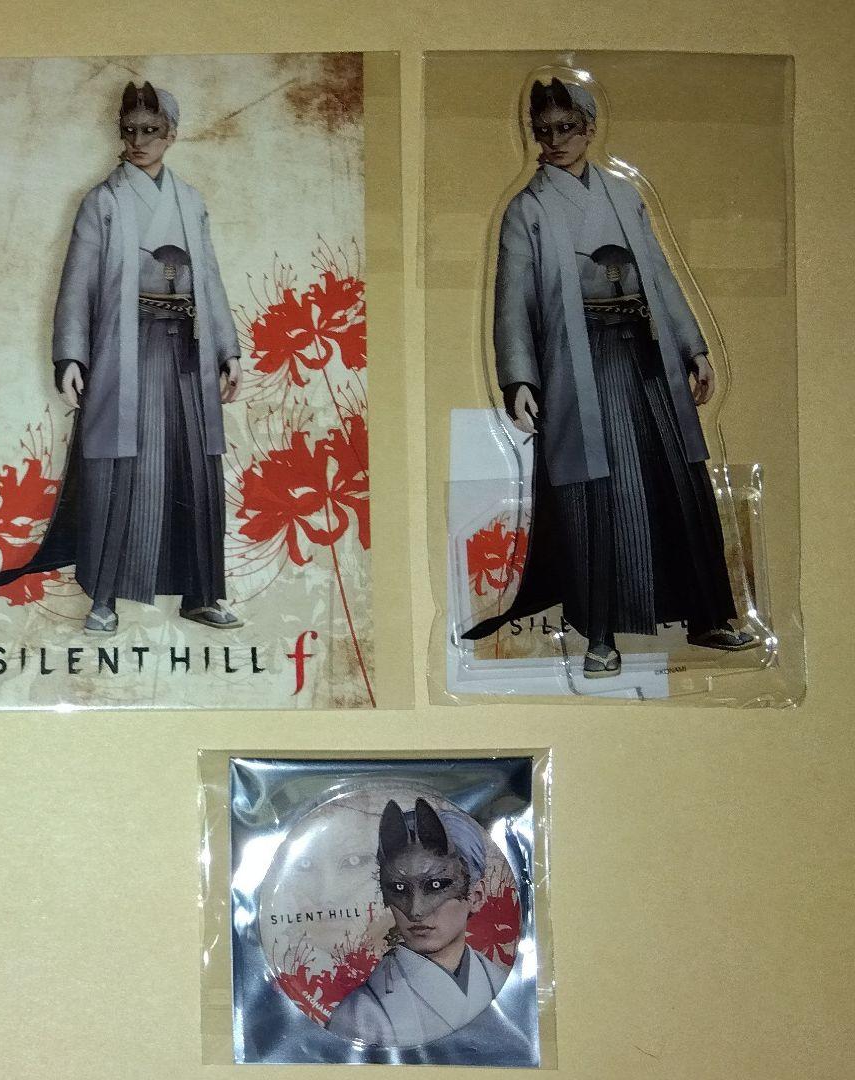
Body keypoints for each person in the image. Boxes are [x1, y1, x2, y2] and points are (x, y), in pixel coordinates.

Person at [463, 76, 756, 677]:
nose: (554, 140)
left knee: (678, 481)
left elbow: (659, 275)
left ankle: (706, 617)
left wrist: (692, 347)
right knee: (594, 493)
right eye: (543, 130)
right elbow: (512, 301)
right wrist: (520, 380)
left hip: (646, 355)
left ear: (590, 129)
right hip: (579, 361)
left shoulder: (624, 195)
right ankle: (600, 637)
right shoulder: (529, 209)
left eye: (566, 127)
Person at [0, 81, 243, 633]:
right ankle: (103, 599)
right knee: (118, 468)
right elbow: (77, 284)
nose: (138, 141)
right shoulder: (103, 202)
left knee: (194, 469)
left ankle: (200, 594)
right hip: (126, 349)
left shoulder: (190, 200)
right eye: (130, 130)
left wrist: (227, 350)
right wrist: (71, 358)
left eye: (151, 130)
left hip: (187, 352)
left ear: (172, 134)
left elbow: (210, 279)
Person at [325, 798, 508, 1047]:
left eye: (436, 885)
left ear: (476, 896)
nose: (415, 911)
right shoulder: (361, 1016)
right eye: (399, 889)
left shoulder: (499, 982)